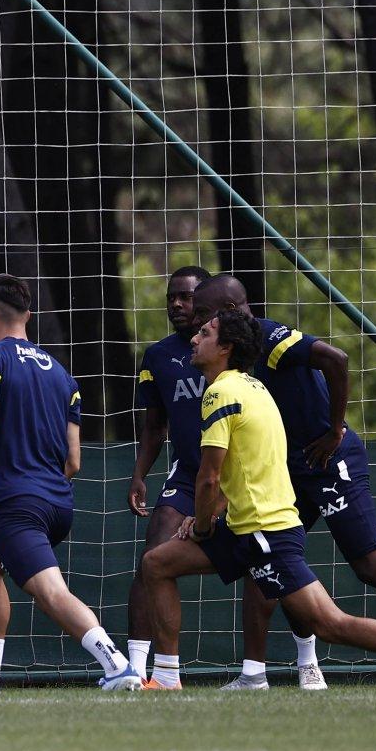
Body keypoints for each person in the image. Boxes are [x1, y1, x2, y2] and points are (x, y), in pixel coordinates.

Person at [140, 309, 376, 690]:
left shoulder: (221, 393)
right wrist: (213, 518)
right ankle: (167, 676)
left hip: (265, 533)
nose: (195, 339)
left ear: (226, 348)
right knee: (156, 564)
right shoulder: (253, 387)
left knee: (329, 623)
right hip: (245, 528)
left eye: (204, 332)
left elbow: (209, 477)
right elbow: (246, 470)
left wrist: (200, 526)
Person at [0, 274, 142, 693]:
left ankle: (118, 665)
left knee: (51, 591)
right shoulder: (62, 375)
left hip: (15, 503)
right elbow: (74, 459)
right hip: (58, 503)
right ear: (29, 316)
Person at [124, 265, 211, 683]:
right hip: (188, 474)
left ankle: (301, 664)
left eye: (186, 296)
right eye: (171, 297)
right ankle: (137, 671)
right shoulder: (158, 355)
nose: (176, 304)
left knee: (272, 562)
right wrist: (140, 473)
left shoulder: (237, 348)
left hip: (239, 476)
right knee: (151, 559)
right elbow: (155, 425)